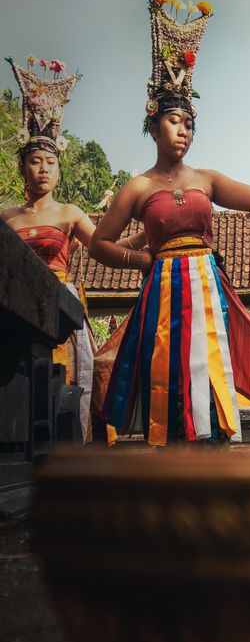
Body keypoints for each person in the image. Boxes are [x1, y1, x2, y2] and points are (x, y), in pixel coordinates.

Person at [91, 0, 250, 445]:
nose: (182, 129)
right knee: (166, 374)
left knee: (211, 371)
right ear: (153, 125)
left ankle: (215, 456)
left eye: (188, 122)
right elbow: (98, 244)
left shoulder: (207, 179)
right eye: (172, 120)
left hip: (207, 285)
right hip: (163, 289)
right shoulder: (138, 188)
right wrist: (142, 263)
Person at [3, 55, 137, 441]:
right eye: (34, 161)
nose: (42, 168)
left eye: (49, 162)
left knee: (59, 386)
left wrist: (143, 242)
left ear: (59, 170)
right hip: (15, 308)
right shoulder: (7, 219)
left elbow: (103, 246)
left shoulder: (69, 213)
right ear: (22, 169)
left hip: (57, 307)